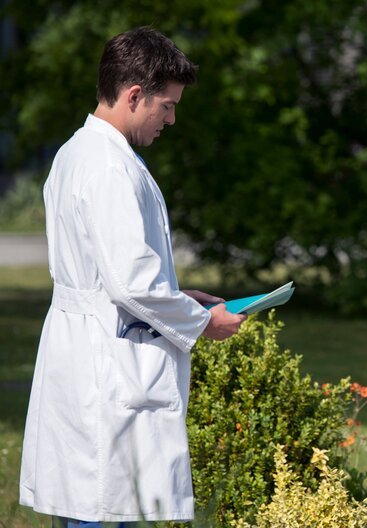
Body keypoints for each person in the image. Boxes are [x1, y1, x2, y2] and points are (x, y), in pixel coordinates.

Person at [19, 27, 247, 526]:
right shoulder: (109, 166)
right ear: (134, 94)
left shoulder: (76, 152)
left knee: (91, 501)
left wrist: (177, 294)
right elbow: (132, 284)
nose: (171, 118)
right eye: (166, 105)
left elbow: (110, 272)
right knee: (99, 505)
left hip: (85, 346)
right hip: (103, 362)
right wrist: (202, 322)